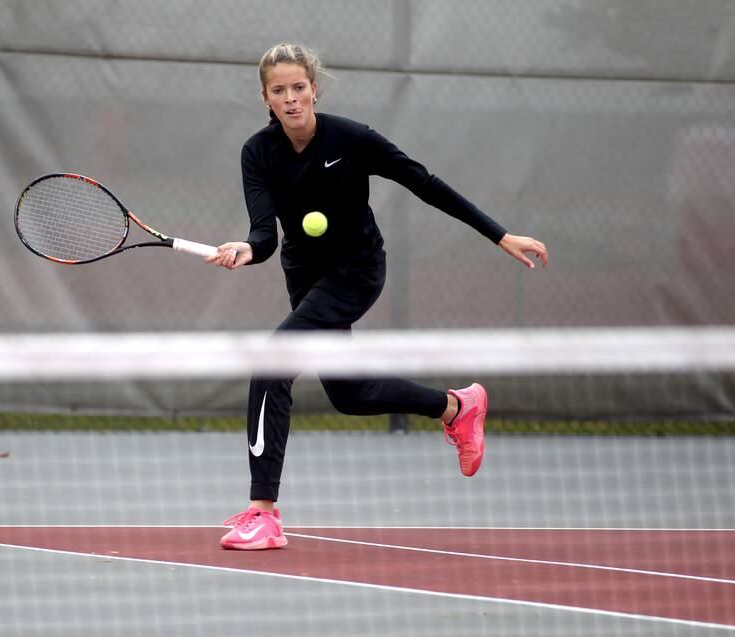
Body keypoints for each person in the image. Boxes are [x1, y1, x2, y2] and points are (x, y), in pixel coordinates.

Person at [207, 43, 548, 550]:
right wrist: (245, 250)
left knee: (271, 364)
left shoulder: (352, 139)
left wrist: (501, 236)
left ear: (313, 89)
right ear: (266, 98)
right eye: (279, 90)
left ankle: (264, 513)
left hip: (356, 271)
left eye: (299, 87)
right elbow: (264, 235)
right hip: (304, 277)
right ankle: (457, 408)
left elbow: (426, 184)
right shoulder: (258, 153)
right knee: (351, 394)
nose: (292, 98)